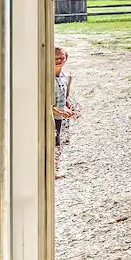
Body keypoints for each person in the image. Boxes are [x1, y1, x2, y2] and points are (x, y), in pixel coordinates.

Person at [53, 46, 80, 178]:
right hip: (50, 117)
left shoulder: (66, 77)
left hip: (62, 117)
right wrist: (56, 110)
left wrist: (70, 106)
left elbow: (66, 95)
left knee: (60, 143)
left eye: (61, 57)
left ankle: (55, 168)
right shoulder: (44, 78)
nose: (58, 60)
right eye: (55, 58)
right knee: (50, 142)